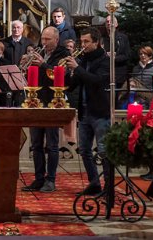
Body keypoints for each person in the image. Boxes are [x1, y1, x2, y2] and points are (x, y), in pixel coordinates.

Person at [64, 27, 111, 196]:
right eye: (81, 41)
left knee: (104, 150)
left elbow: (96, 81)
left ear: (96, 42)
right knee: (84, 149)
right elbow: (72, 86)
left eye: (86, 42)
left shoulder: (104, 60)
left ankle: (109, 187)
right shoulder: (83, 60)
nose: (82, 45)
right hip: (84, 112)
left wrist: (77, 68)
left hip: (100, 112)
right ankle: (94, 183)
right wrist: (66, 73)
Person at [22, 26, 69, 193]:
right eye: (42, 39)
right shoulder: (40, 52)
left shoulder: (63, 54)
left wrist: (42, 64)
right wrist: (26, 66)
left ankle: (51, 179)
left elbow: (59, 75)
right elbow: (34, 77)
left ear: (56, 40)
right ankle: (39, 178)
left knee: (52, 144)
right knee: (35, 144)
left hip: (53, 102)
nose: (44, 43)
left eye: (47, 40)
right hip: (37, 101)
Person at [103, 16, 132, 88]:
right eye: (107, 21)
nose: (109, 23)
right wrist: (106, 55)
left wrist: (115, 58)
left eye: (111, 21)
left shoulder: (123, 38)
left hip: (119, 74)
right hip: (105, 74)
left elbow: (127, 55)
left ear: (116, 24)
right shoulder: (102, 38)